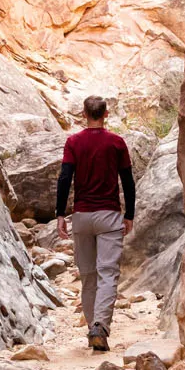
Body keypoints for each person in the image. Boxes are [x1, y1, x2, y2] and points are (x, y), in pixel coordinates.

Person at [56, 96, 135, 352]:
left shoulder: (74, 142)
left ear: (83, 114)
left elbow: (65, 178)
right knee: (108, 273)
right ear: (106, 114)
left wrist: (60, 214)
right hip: (109, 216)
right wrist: (130, 214)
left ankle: (94, 328)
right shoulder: (116, 142)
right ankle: (99, 326)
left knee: (88, 276)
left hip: (82, 216)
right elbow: (128, 181)